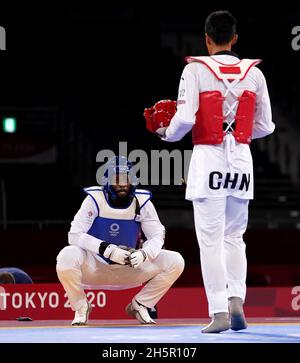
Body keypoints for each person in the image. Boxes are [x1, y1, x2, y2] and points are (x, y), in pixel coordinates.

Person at [145, 10, 275, 333]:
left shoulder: (195, 70)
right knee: (235, 237)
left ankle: (218, 310)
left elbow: (185, 119)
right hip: (242, 161)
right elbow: (265, 125)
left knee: (211, 240)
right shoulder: (255, 75)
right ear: (234, 38)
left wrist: (166, 134)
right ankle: (237, 300)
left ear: (206, 39)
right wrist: (236, 135)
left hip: (209, 159)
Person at [56, 156, 184, 326]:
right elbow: (74, 235)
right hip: (95, 269)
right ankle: (81, 306)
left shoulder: (142, 201)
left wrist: (144, 253)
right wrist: (108, 250)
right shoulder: (95, 199)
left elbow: (157, 235)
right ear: (107, 181)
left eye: (127, 179)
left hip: (129, 270)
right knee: (66, 255)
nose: (123, 184)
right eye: (117, 179)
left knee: (175, 261)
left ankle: (141, 304)